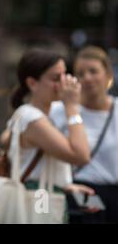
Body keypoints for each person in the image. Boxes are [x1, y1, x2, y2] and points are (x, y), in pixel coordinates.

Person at [0, 48, 95, 223]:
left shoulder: (39, 114)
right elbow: (81, 155)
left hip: (42, 193)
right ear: (32, 83)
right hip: (39, 197)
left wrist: (66, 186)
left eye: (65, 75)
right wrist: (71, 107)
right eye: (55, 78)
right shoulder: (31, 117)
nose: (64, 83)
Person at [50, 46, 118, 223]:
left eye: (93, 71)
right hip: (79, 190)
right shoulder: (61, 109)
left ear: (108, 74)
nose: (87, 78)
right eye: (80, 73)